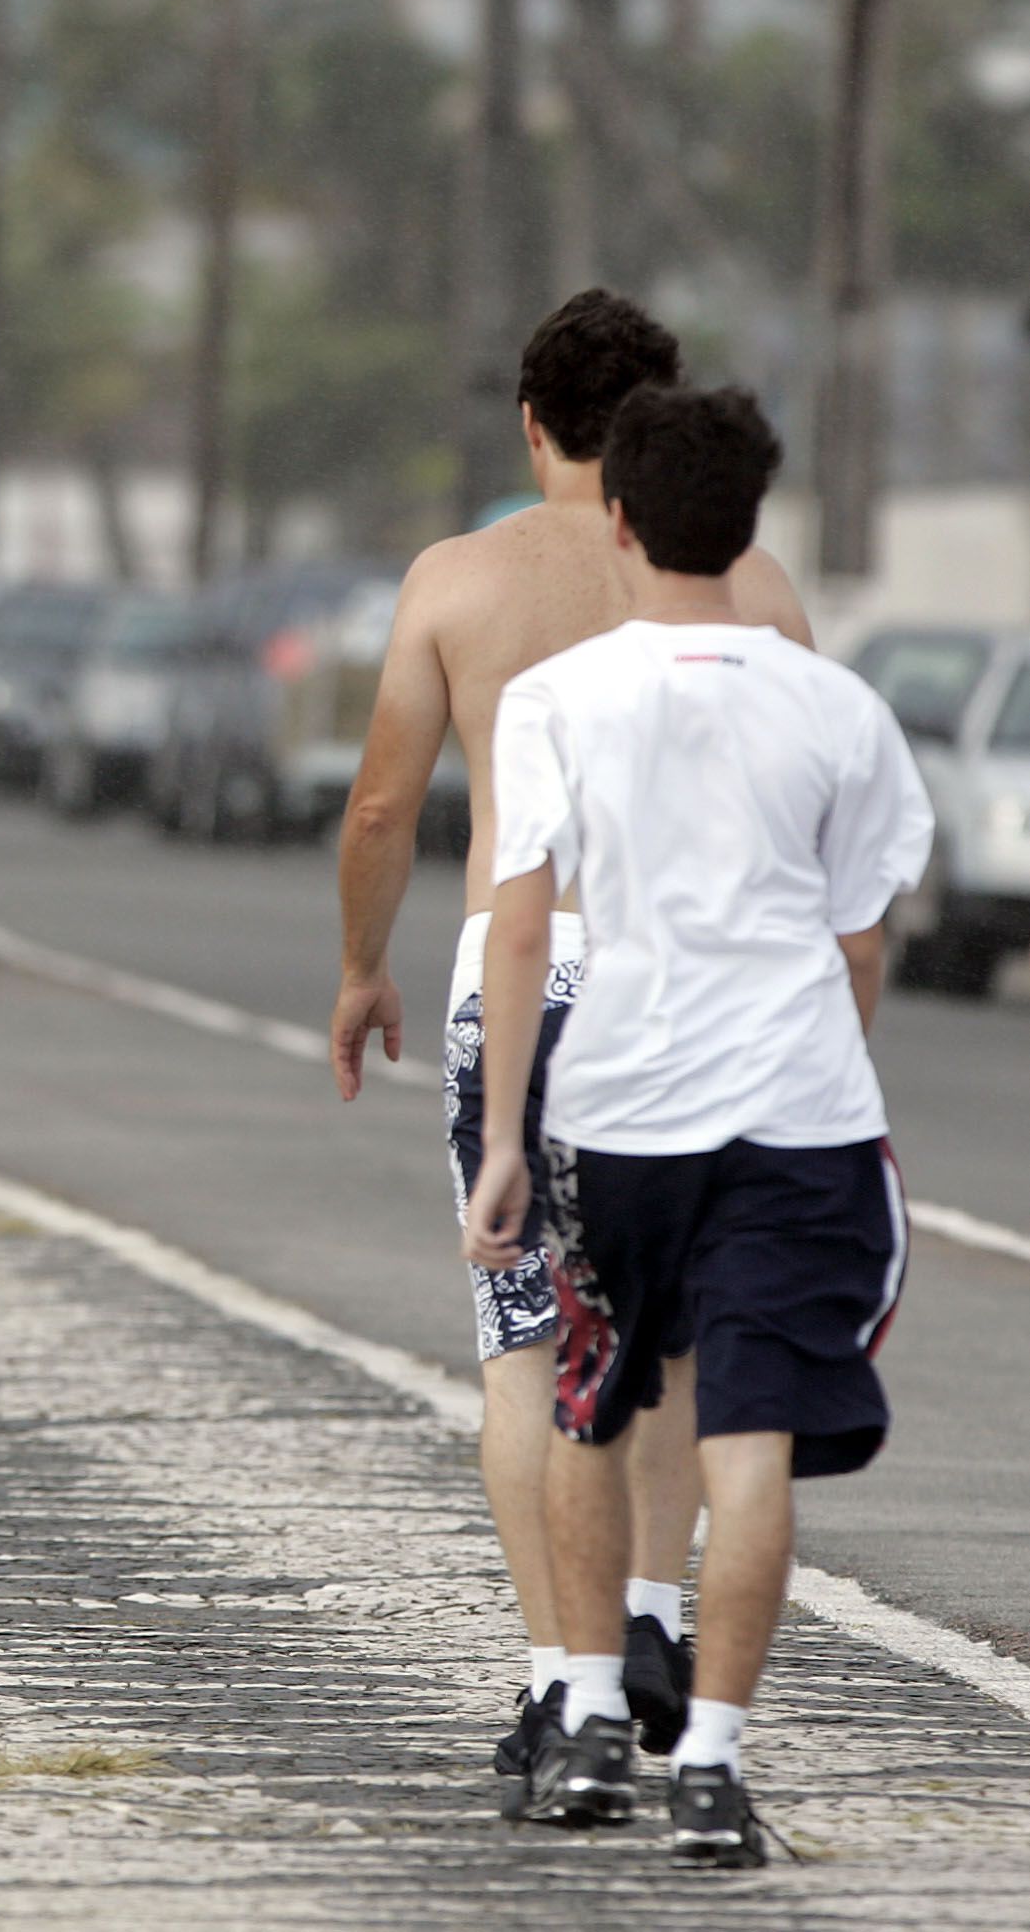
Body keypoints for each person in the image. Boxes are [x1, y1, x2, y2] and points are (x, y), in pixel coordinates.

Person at [328, 289, 815, 1804]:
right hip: (701, 992)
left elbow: (380, 809)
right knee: (664, 1349)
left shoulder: (457, 583)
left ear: (529, 426)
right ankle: (656, 1623)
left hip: (524, 986)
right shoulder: (756, 587)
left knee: (529, 1350)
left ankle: (565, 1689)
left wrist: (360, 967)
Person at [463, 387, 932, 1863]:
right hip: (795, 1120)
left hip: (618, 1120)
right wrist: (816, 1062)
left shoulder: (560, 699)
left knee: (590, 1406)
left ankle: (592, 1712)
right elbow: (862, 939)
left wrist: (500, 1138)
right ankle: (714, 1763)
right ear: (749, 527)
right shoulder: (836, 705)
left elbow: (523, 930)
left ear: (619, 520)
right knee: (748, 1439)